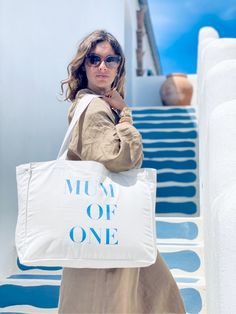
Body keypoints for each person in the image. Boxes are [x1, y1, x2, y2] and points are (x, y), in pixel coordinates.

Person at [58, 30, 185, 314]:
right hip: (105, 224)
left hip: (102, 222)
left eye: (110, 60)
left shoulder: (95, 105)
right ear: (84, 66)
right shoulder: (93, 108)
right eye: (94, 59)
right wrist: (126, 114)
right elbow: (121, 159)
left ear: (118, 68)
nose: (102, 66)